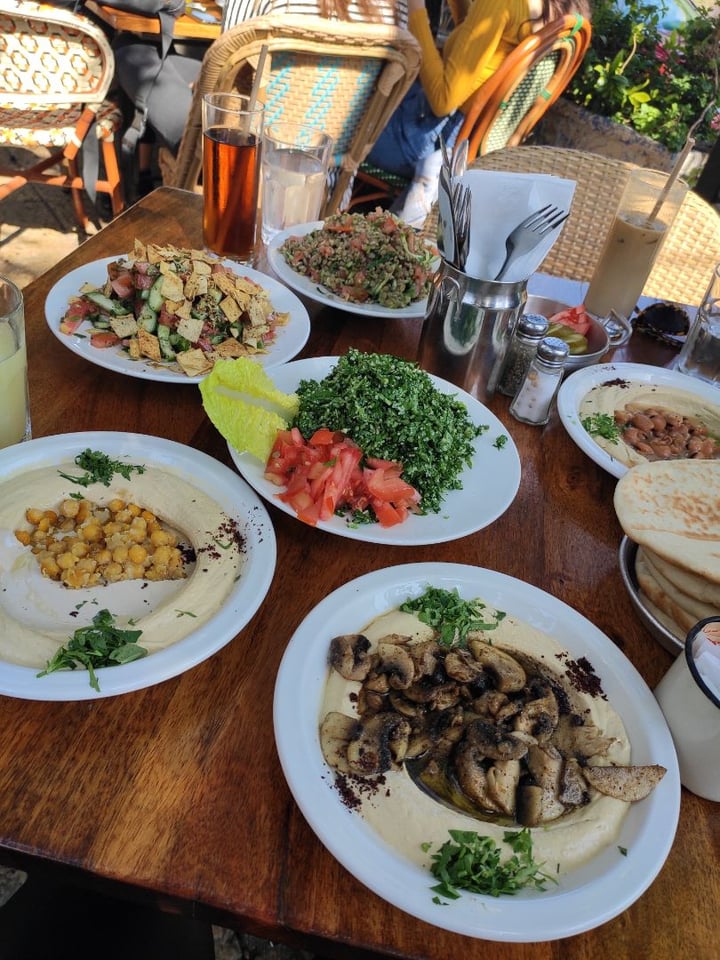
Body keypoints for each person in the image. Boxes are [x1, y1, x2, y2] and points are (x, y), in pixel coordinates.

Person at [367, 0, 593, 225]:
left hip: (427, 140)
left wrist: (416, 10)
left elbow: (443, 100)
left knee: (346, 107)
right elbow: (478, 45)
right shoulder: (564, 11)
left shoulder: (500, 4)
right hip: (469, 149)